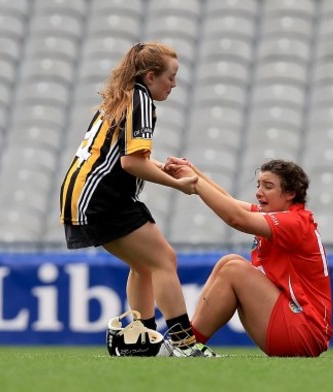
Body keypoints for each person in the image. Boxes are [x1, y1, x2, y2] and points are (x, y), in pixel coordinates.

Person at [59, 42, 213, 357]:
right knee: (164, 260)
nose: (174, 84)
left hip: (82, 196)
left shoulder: (123, 97)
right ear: (150, 76)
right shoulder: (140, 101)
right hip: (101, 198)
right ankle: (184, 345)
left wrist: (158, 166)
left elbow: (120, 157)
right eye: (171, 77)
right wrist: (177, 183)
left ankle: (139, 340)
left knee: (144, 266)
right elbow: (131, 164)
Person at [164, 158, 333, 357]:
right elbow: (228, 201)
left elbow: (235, 217)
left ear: (290, 193)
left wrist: (194, 182)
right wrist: (192, 170)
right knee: (228, 263)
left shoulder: (295, 222)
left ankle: (185, 346)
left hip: (303, 330)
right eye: (258, 185)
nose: (258, 192)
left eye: (268, 186)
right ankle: (185, 344)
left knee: (233, 269)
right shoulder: (278, 215)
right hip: (296, 326)